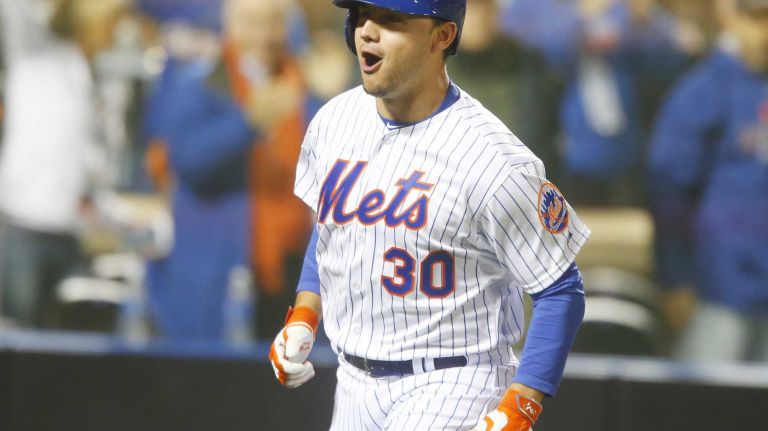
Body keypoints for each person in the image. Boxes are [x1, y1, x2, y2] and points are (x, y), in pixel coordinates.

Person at [269, 1, 591, 430]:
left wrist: (524, 402)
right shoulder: (332, 123)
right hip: (352, 381)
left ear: (442, 36)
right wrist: (305, 314)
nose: (367, 30)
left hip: (454, 381)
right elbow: (332, 232)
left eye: (391, 19)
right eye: (361, 14)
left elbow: (561, 288)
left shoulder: (493, 160)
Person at [649, 0, 768, 361]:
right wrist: (675, 279)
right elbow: (668, 190)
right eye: (757, 18)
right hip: (720, 290)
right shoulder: (703, 91)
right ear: (730, 16)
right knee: (709, 395)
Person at [0, 0, 129, 328]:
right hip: (26, 227)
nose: (116, 34)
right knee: (20, 338)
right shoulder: (35, 57)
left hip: (71, 233)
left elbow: (85, 160)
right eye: (111, 24)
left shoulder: (89, 76)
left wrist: (105, 211)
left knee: (65, 339)